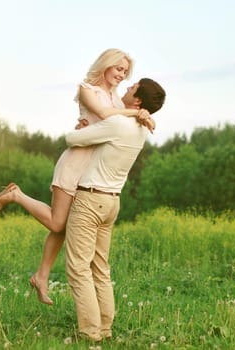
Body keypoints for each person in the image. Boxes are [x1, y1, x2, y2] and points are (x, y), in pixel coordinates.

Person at [0, 49, 154, 305]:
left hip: (94, 172)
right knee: (58, 223)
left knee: (67, 226)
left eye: (125, 72)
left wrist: (142, 112)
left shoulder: (120, 100)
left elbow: (126, 117)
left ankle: (41, 276)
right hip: (76, 162)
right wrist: (136, 113)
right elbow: (104, 115)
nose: (121, 75)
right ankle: (16, 195)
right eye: (118, 69)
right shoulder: (87, 89)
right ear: (105, 65)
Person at [62, 78, 166, 341]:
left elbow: (71, 138)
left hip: (89, 200)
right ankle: (105, 329)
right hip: (111, 203)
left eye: (132, 88)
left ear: (138, 100)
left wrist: (83, 127)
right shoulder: (141, 129)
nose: (127, 88)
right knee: (100, 267)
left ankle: (90, 333)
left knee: (79, 268)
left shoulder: (118, 123)